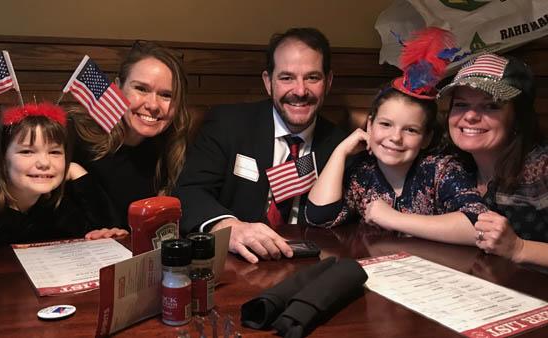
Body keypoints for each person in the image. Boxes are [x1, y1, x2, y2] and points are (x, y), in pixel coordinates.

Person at [174, 27, 347, 263]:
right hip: (240, 264)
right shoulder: (228, 124)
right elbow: (189, 192)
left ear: (328, 82)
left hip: (309, 268)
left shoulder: (340, 146)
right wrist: (227, 227)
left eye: (312, 77)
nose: (300, 91)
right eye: (286, 77)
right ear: (268, 82)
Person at [306, 27, 487, 244]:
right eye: (386, 124)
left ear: (427, 138)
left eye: (410, 130)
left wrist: (393, 218)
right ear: (370, 125)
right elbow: (319, 218)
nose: (396, 137)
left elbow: (478, 227)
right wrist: (340, 152)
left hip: (439, 272)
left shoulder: (441, 170)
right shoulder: (363, 173)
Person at [0, 103, 126, 254]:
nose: (44, 162)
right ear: (2, 158)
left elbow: (107, 230)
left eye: (55, 152)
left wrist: (78, 172)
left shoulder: (57, 207)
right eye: (27, 151)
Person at [438, 53, 548, 267]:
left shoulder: (541, 168)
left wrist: (519, 248)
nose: (470, 116)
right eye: (460, 104)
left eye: (491, 106)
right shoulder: (452, 165)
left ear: (518, 117)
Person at [70, 41, 191, 228]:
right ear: (118, 87)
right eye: (141, 89)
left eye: (167, 95)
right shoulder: (75, 134)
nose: (153, 105)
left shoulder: (171, 148)